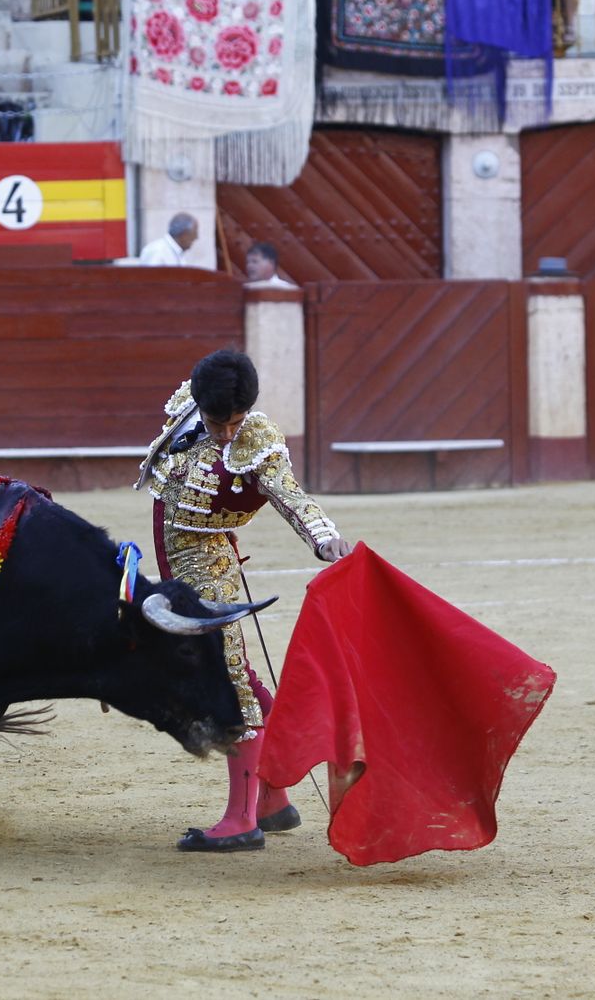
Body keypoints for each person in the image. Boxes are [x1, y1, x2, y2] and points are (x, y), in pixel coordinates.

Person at [135, 349, 353, 852]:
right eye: (218, 422)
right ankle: (273, 798)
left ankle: (242, 820)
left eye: (235, 422)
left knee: (231, 683)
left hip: (210, 571)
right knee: (238, 678)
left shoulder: (258, 442)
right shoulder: (189, 408)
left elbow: (291, 495)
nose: (228, 433)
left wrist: (324, 538)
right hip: (178, 566)